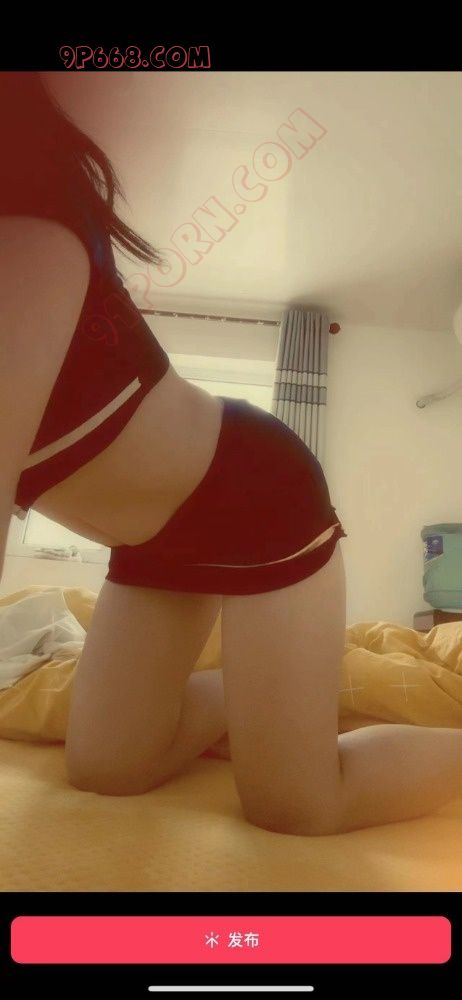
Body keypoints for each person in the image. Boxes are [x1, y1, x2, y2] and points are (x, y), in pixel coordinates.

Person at [1, 72, 462, 839]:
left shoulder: (28, 236)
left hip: (257, 501)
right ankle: (261, 698)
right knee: (106, 769)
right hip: (151, 541)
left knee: (297, 806)